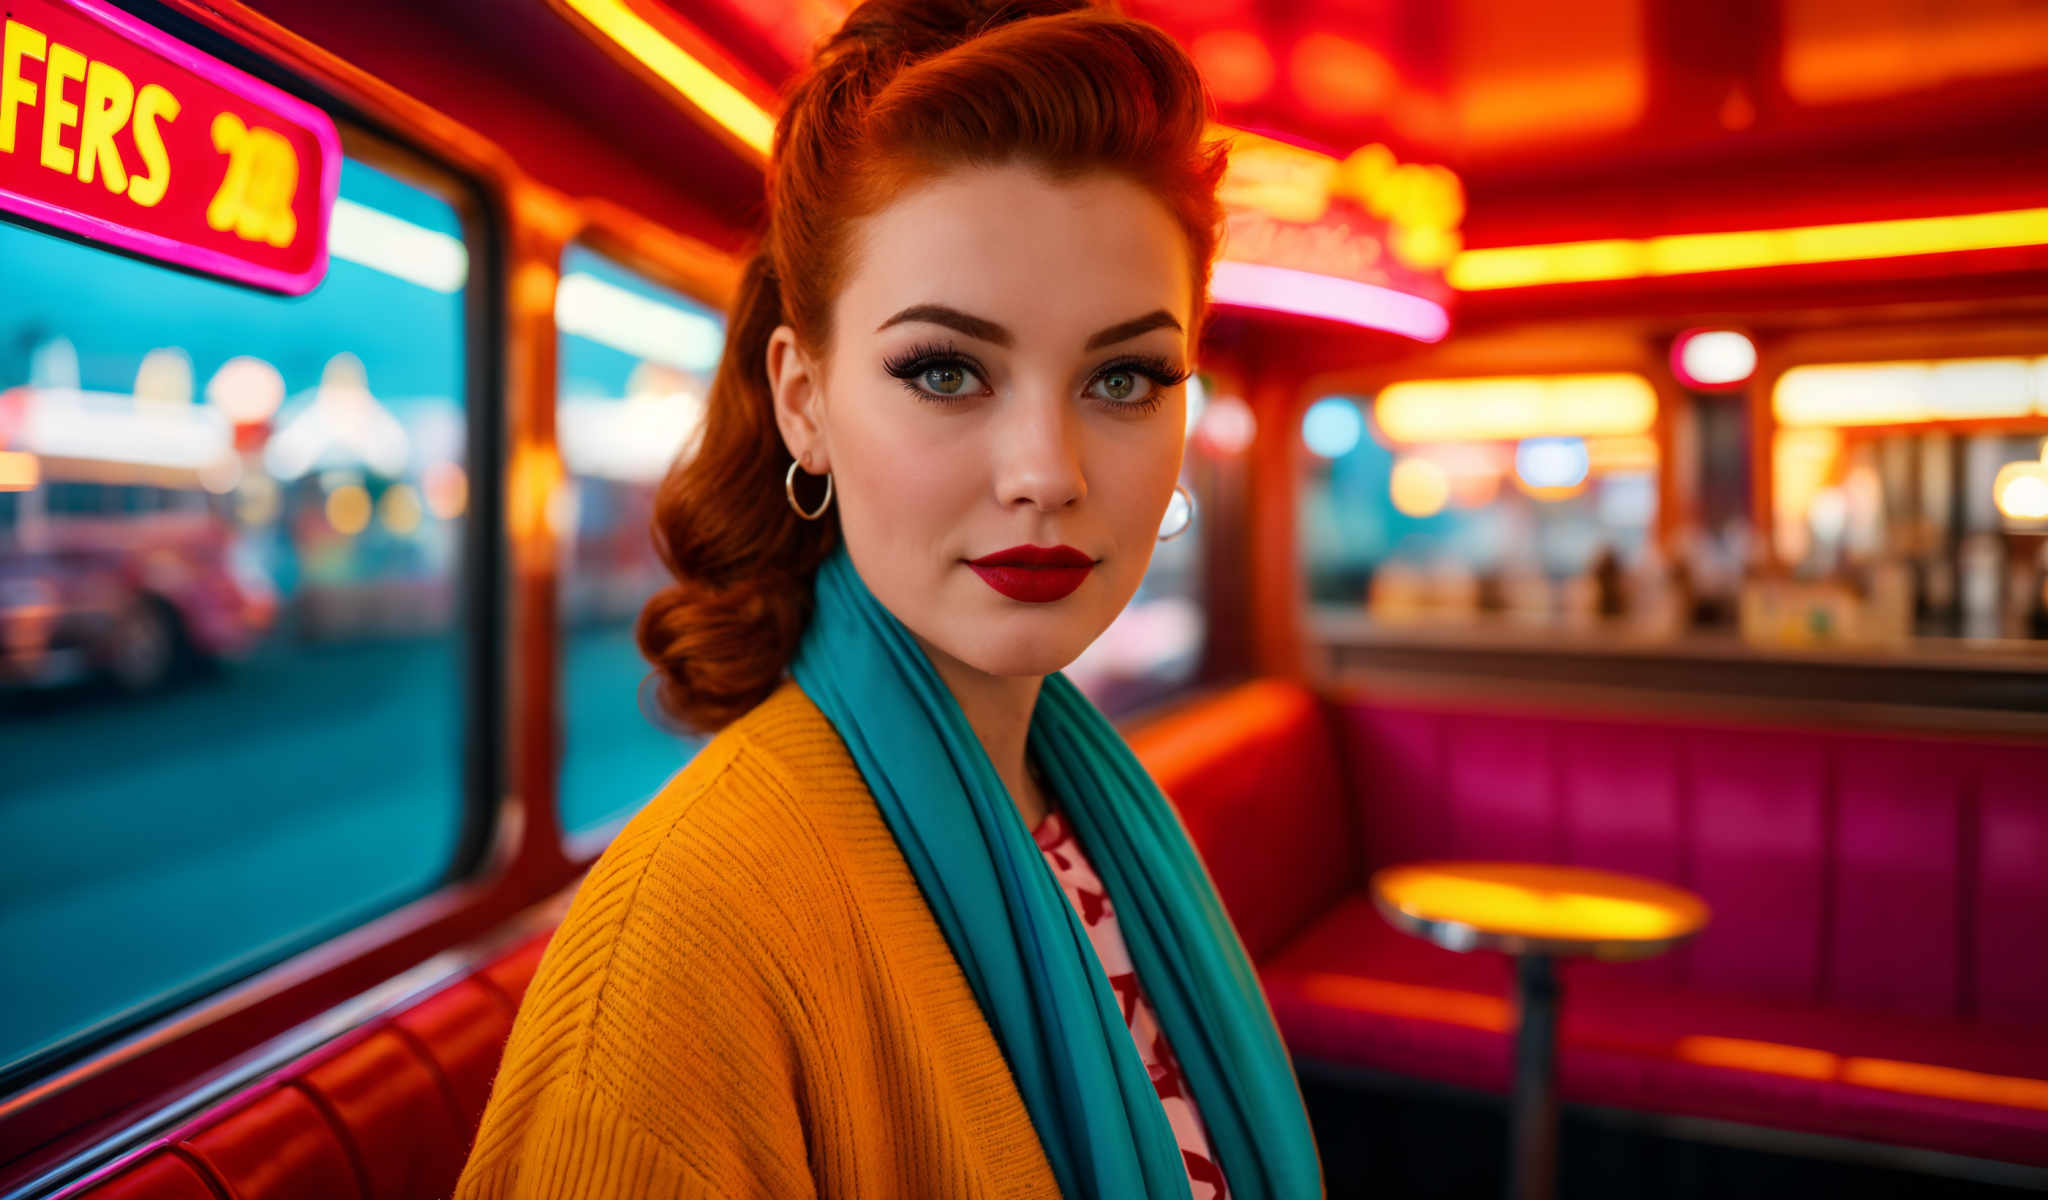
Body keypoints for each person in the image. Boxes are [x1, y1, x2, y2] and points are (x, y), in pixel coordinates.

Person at [455, 1, 1323, 1195]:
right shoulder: (681, 952)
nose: (1046, 473)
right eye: (946, 371)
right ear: (803, 401)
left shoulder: (1079, 806)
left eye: (1122, 377)